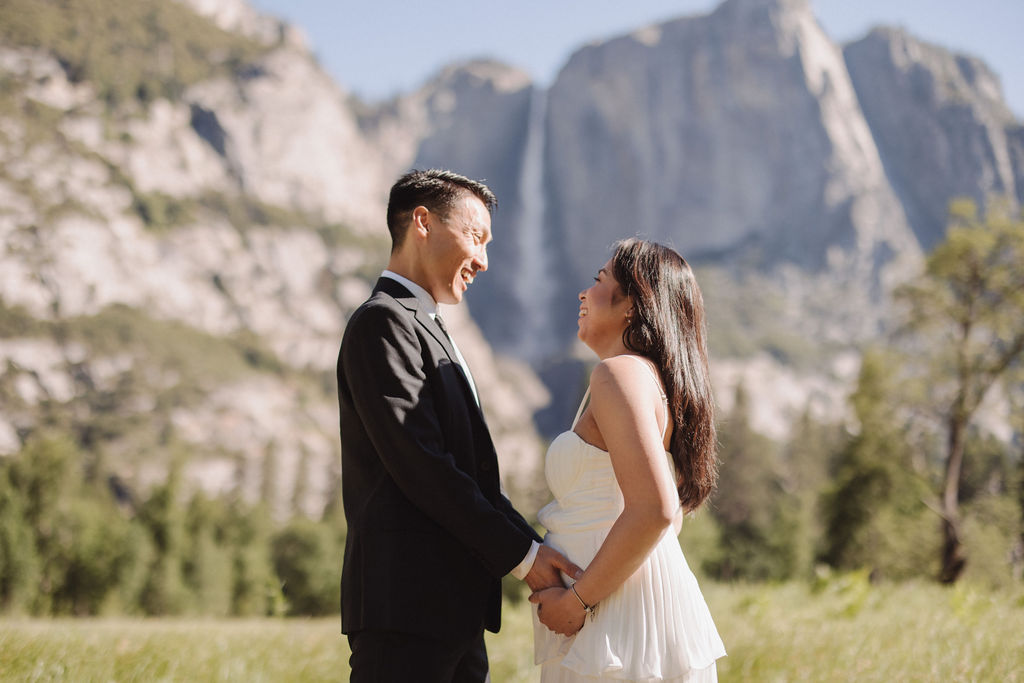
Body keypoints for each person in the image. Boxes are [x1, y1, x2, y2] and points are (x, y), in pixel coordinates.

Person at [337, 169, 580, 683]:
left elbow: (471, 478)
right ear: (422, 222)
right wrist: (523, 557)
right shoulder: (384, 322)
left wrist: (539, 551)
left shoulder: (428, 327)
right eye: (476, 237)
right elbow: (423, 465)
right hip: (405, 609)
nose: (484, 261)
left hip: (452, 612)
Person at [529, 238, 726, 682]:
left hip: (614, 620)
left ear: (634, 304)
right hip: (629, 605)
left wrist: (577, 601)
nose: (583, 293)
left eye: (598, 281)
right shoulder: (644, 379)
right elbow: (669, 516)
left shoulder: (619, 374)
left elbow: (655, 510)